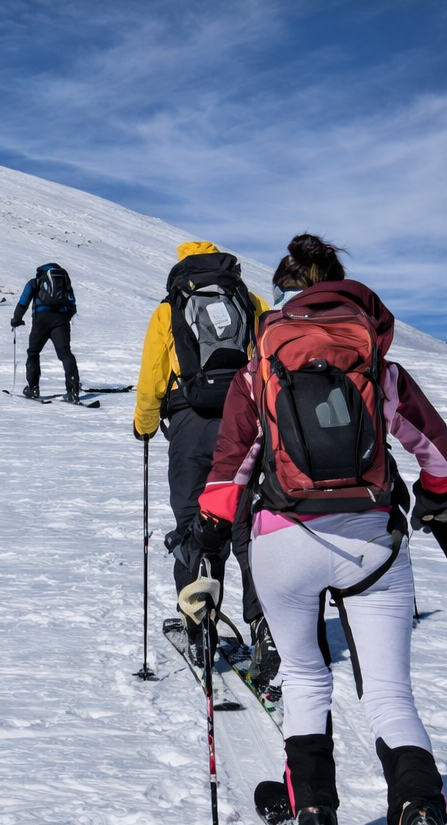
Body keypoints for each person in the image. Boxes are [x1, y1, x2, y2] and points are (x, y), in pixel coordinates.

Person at [184, 234, 447, 825]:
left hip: (284, 540)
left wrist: (211, 540)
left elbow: (231, 466)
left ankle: (312, 817)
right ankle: (420, 817)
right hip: (372, 542)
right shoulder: (377, 363)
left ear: (285, 295)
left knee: (307, 678)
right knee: (390, 694)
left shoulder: (261, 365)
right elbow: (436, 454)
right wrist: (436, 501)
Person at [132, 241, 273, 682]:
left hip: (189, 422)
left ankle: (199, 625)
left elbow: (152, 377)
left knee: (195, 520)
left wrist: (144, 425)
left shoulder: (169, 308)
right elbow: (270, 359)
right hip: (245, 422)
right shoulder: (250, 300)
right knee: (247, 525)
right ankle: (264, 625)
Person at [11, 263, 82, 403]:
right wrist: (64, 319)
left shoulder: (35, 282)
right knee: (65, 354)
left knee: (33, 352)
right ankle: (73, 391)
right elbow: (72, 305)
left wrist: (16, 319)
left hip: (41, 320)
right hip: (61, 321)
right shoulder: (64, 281)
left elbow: (23, 301)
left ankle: (33, 388)